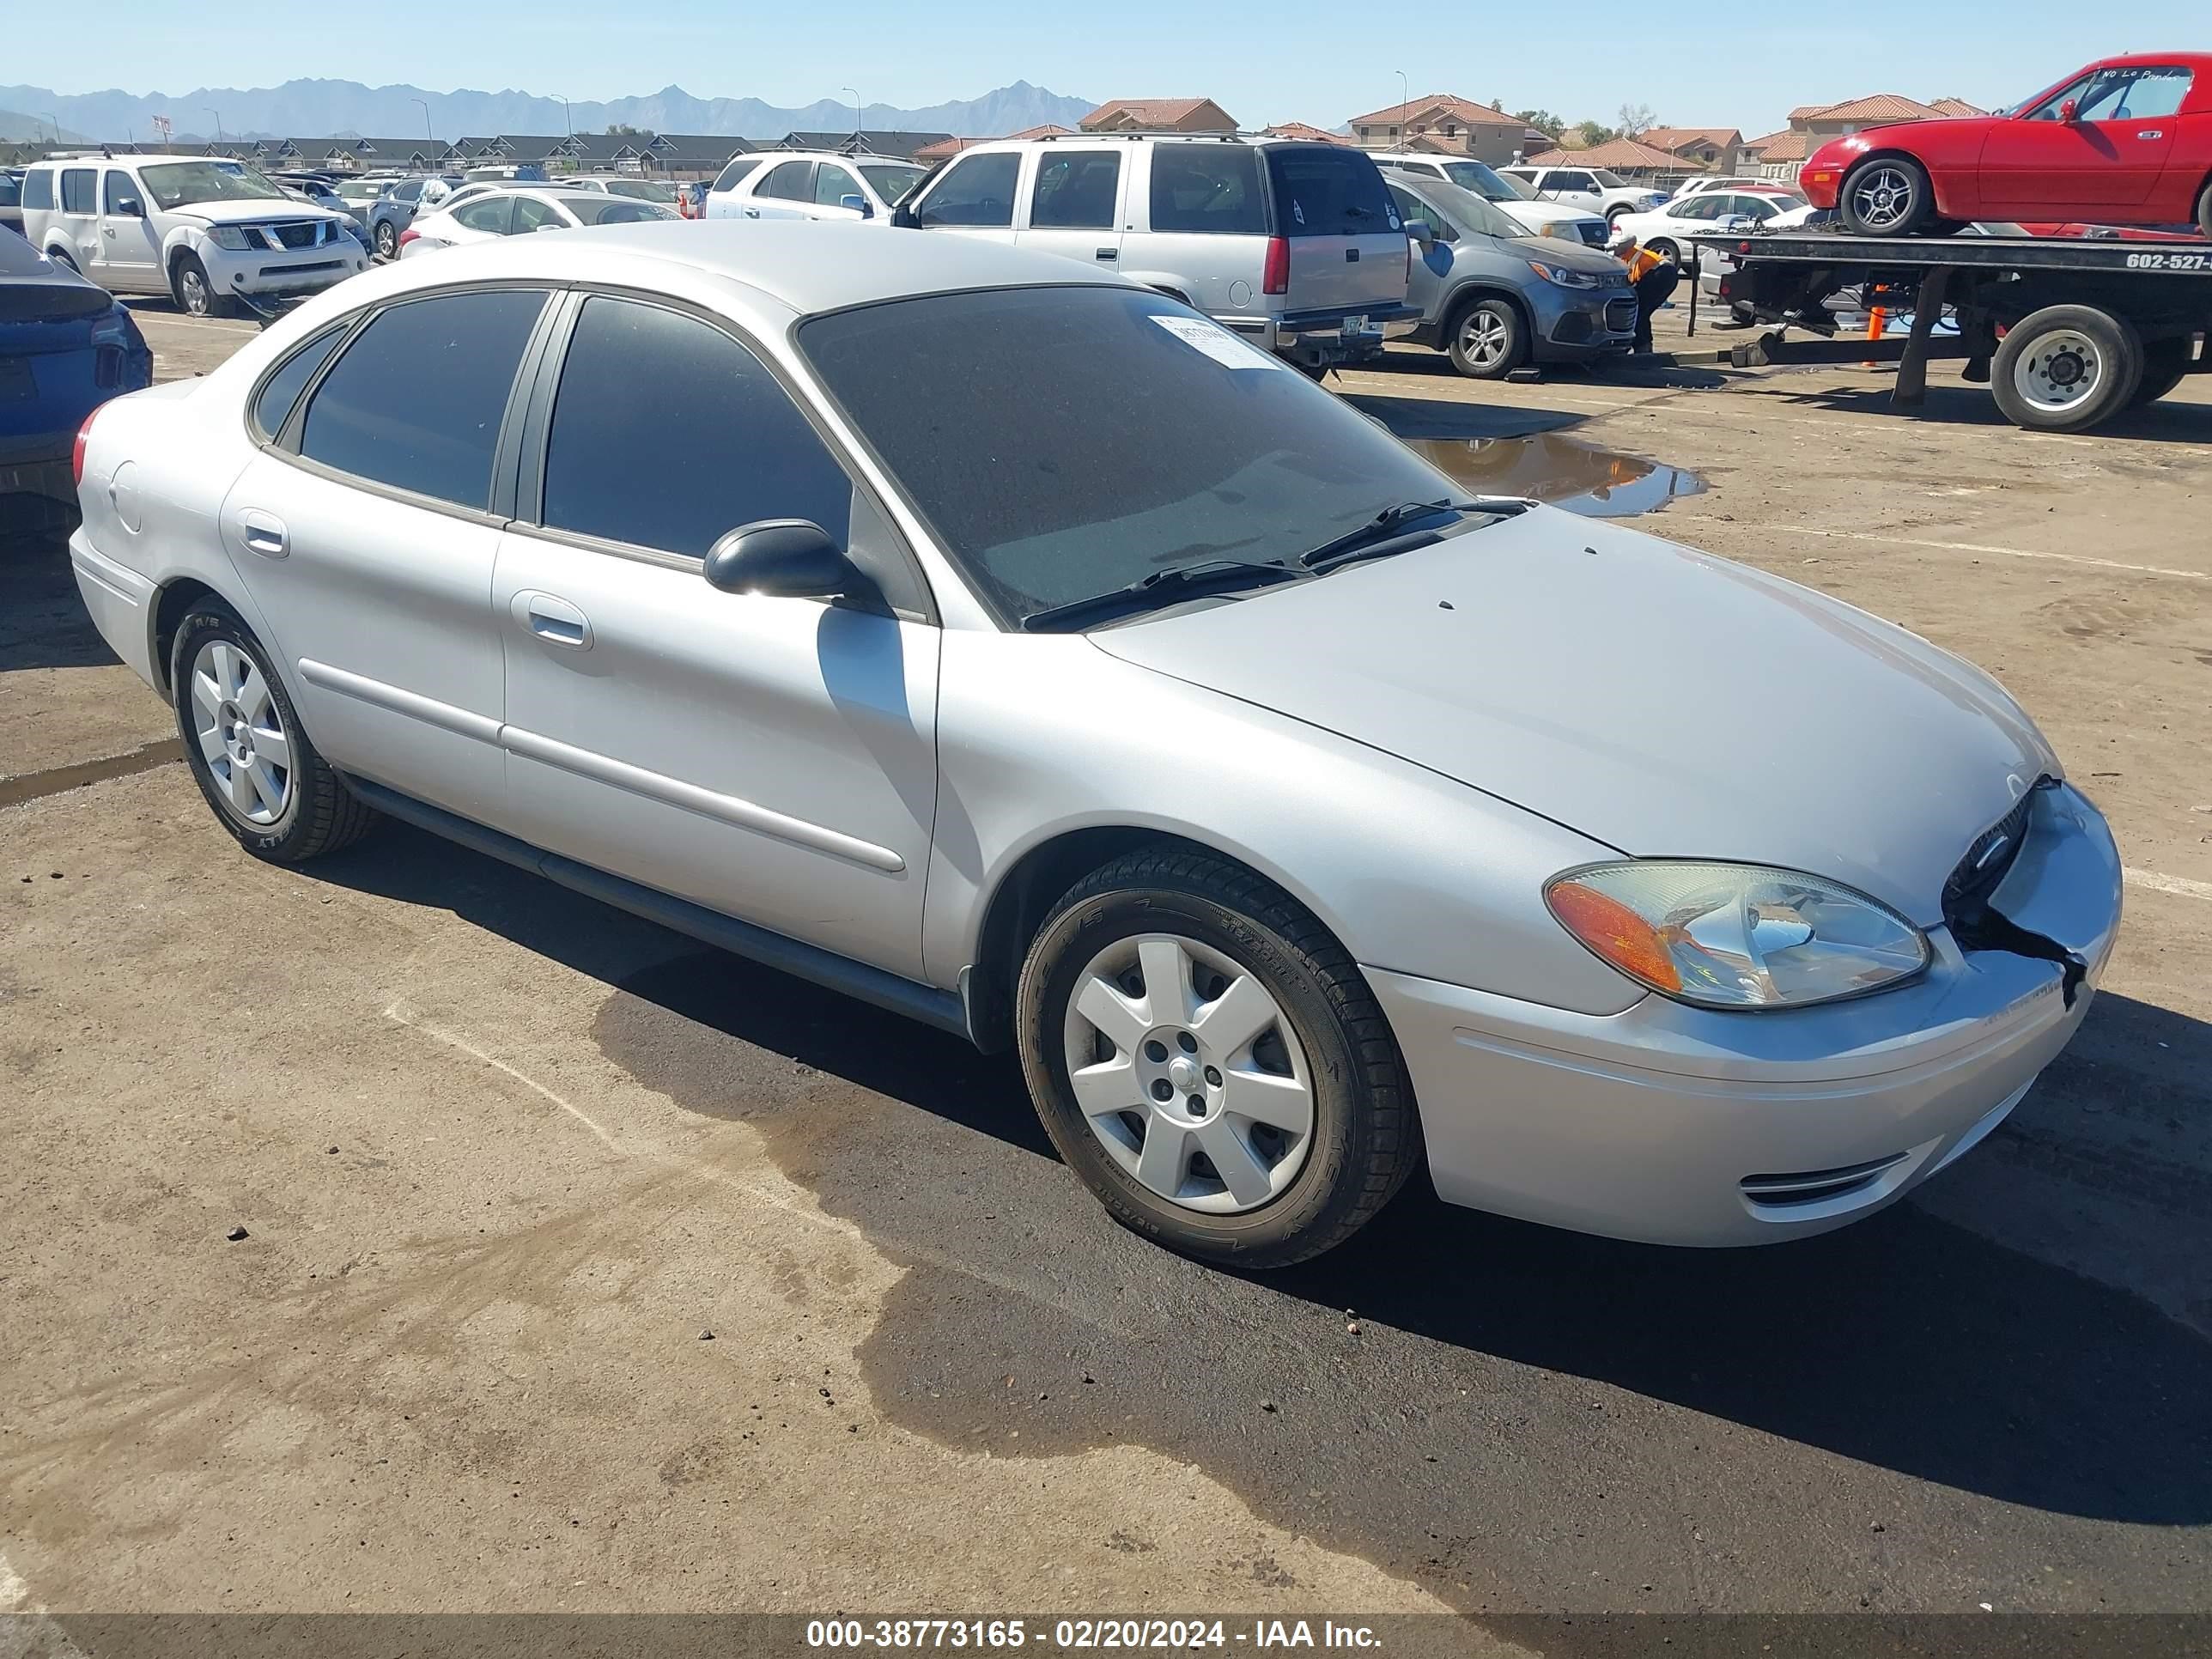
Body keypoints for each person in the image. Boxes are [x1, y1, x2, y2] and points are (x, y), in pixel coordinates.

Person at [1609, 228, 1679, 354]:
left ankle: (1640, 347)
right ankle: (1644, 347)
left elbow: (1628, 282)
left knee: (1637, 312)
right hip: (1669, 273)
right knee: (1642, 312)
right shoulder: (1634, 252)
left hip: (1659, 274)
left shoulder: (1623, 259)